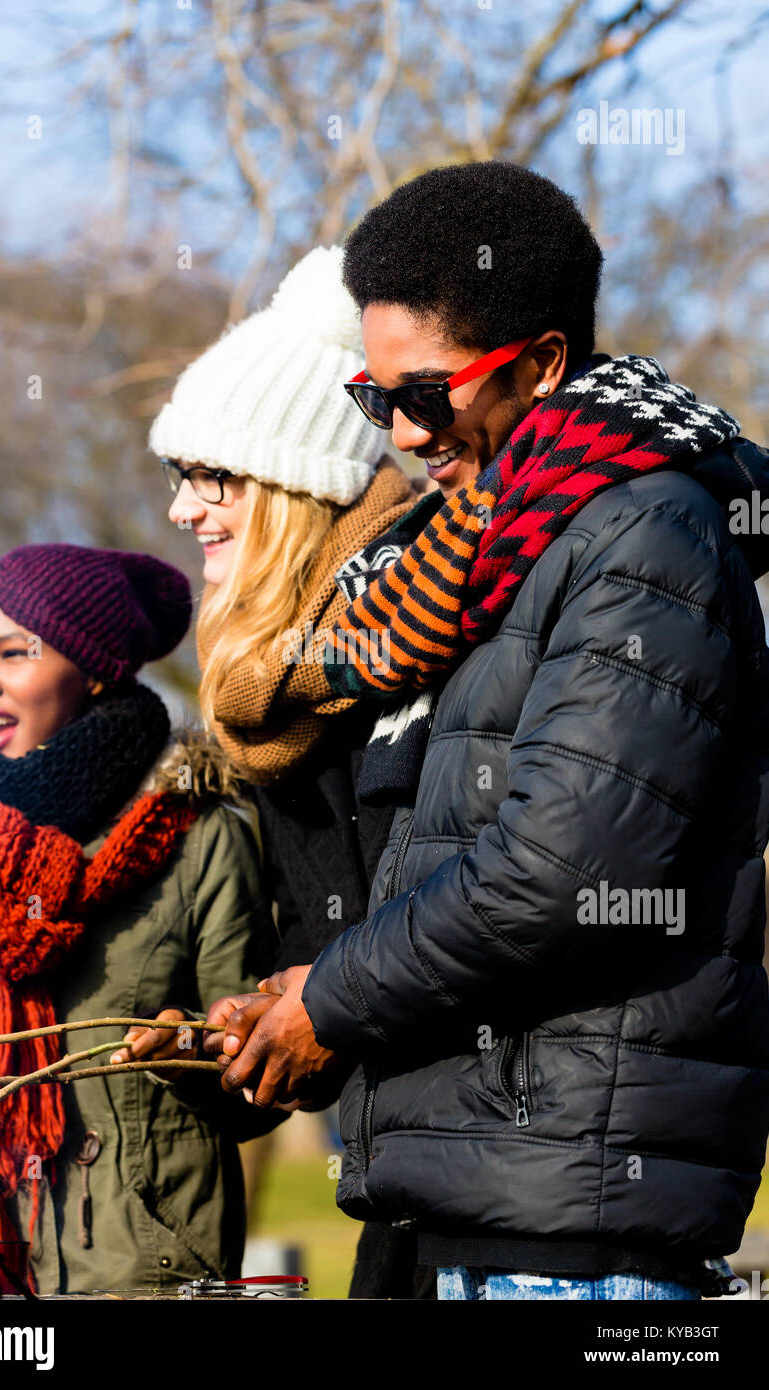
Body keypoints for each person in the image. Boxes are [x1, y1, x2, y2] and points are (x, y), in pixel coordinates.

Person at [203, 162, 769, 1302]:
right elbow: (445, 859)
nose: (404, 435)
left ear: (545, 364)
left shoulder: (644, 539)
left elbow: (554, 873)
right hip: (467, 1204)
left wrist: (329, 1000)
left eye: (425, 395)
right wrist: (300, 988)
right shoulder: (482, 553)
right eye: (375, 398)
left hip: (567, 1235)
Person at [150, 245, 436, 1298]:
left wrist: (327, 1002)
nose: (182, 509)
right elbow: (317, 956)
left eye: (209, 475)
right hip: (395, 1194)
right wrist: (216, 1043)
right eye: (177, 477)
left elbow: (497, 904)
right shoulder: (275, 715)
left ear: (294, 484)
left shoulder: (434, 649)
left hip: (511, 1204)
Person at [0, 543, 278, 1294]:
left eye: (13, 654)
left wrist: (190, 1048)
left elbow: (266, 1071)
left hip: (131, 1270)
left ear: (96, 666)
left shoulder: (198, 839)